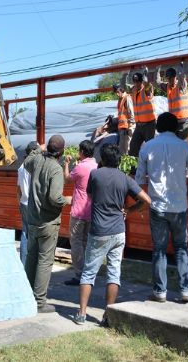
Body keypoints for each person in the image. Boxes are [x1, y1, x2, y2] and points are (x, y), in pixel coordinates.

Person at [70, 144, 151, 326]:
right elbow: (147, 200)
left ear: (103, 159)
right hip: (118, 232)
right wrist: (129, 210)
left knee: (89, 272)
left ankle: (82, 314)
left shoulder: (96, 175)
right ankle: (108, 315)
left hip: (99, 231)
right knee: (114, 273)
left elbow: (90, 195)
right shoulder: (125, 178)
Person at [135, 112, 188, 303]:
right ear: (175, 128)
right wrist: (187, 194)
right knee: (181, 247)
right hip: (180, 206)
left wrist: (144, 200)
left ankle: (160, 292)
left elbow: (139, 179)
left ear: (157, 127)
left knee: (159, 249)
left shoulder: (147, 147)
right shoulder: (184, 146)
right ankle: (186, 291)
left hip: (157, 205)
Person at [23, 134, 73, 313]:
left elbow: (28, 157)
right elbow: (54, 198)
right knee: (44, 262)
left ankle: (26, 294)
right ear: (62, 152)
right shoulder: (56, 169)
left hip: (33, 219)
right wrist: (68, 199)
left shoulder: (35, 162)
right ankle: (39, 302)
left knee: (31, 257)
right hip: (48, 222)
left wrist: (38, 148)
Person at [62, 139, 98, 286]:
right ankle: (88, 273)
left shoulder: (80, 168)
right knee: (87, 242)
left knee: (76, 243)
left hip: (78, 211)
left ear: (82, 152)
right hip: (92, 211)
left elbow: (67, 179)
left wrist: (66, 164)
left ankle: (79, 274)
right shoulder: (96, 166)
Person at [16, 141, 41, 265]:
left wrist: (19, 203)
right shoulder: (34, 166)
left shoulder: (21, 167)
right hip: (33, 203)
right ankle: (33, 262)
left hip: (24, 202)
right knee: (36, 233)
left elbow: (18, 189)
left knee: (25, 232)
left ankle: (23, 261)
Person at [156, 62, 188, 141]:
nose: (169, 80)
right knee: (173, 143)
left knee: (182, 144)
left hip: (184, 121)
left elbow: (182, 77)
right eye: (168, 78)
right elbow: (157, 83)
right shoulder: (167, 86)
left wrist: (180, 66)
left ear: (175, 77)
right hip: (173, 121)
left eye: (171, 78)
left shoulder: (181, 86)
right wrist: (157, 70)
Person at [127, 67, 156, 157]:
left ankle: (152, 168)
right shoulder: (134, 91)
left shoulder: (146, 89)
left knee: (150, 148)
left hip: (149, 125)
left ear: (141, 81)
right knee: (133, 146)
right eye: (134, 82)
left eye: (138, 81)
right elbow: (125, 87)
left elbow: (148, 85)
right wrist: (125, 74)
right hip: (139, 125)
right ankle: (134, 169)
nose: (136, 84)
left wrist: (145, 75)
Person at [112, 83, 133, 155]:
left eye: (118, 92)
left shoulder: (127, 98)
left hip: (127, 128)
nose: (117, 94)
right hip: (122, 128)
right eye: (116, 93)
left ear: (121, 90)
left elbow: (131, 113)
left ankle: (130, 165)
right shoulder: (120, 100)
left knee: (127, 149)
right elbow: (121, 114)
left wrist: (130, 127)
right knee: (122, 150)